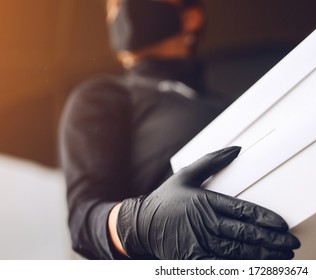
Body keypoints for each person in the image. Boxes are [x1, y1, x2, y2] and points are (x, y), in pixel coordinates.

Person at [59, 0, 300, 260]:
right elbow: (83, 220)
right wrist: (141, 224)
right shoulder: (103, 96)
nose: (123, 8)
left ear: (191, 17)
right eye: (113, 6)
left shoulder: (233, 104)